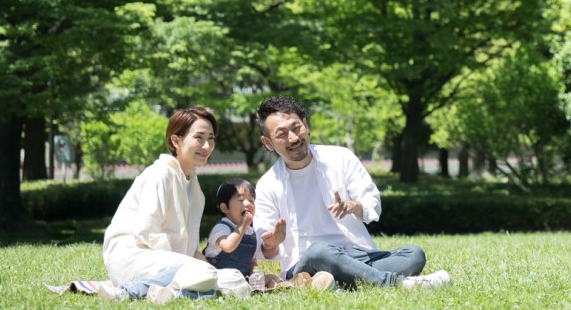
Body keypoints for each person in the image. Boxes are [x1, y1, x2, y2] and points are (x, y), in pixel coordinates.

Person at [251, 95, 451, 290]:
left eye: (297, 128)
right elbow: (263, 244)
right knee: (319, 251)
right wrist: (272, 243)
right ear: (268, 143)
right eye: (282, 134)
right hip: (306, 262)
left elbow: (372, 202)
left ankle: (336, 282)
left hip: (357, 256)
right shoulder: (267, 184)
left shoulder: (340, 157)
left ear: (306, 124)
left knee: (414, 254)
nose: (294, 138)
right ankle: (398, 284)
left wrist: (354, 206)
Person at [100, 107, 246, 303]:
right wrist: (191, 267)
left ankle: (174, 293)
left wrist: (208, 268)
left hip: (172, 263)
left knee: (235, 279)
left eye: (211, 139)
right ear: (176, 141)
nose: (207, 146)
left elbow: (190, 248)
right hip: (134, 256)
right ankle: (126, 292)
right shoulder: (160, 173)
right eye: (199, 138)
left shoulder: (195, 188)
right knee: (204, 273)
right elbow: (148, 233)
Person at [204, 178, 334, 292]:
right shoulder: (221, 228)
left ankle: (295, 285)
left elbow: (252, 261)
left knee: (271, 277)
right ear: (225, 208)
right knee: (234, 283)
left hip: (241, 280)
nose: (248, 204)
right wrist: (243, 224)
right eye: (241, 200)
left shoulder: (249, 233)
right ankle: (293, 285)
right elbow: (228, 246)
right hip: (218, 280)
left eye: (251, 200)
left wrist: (255, 277)